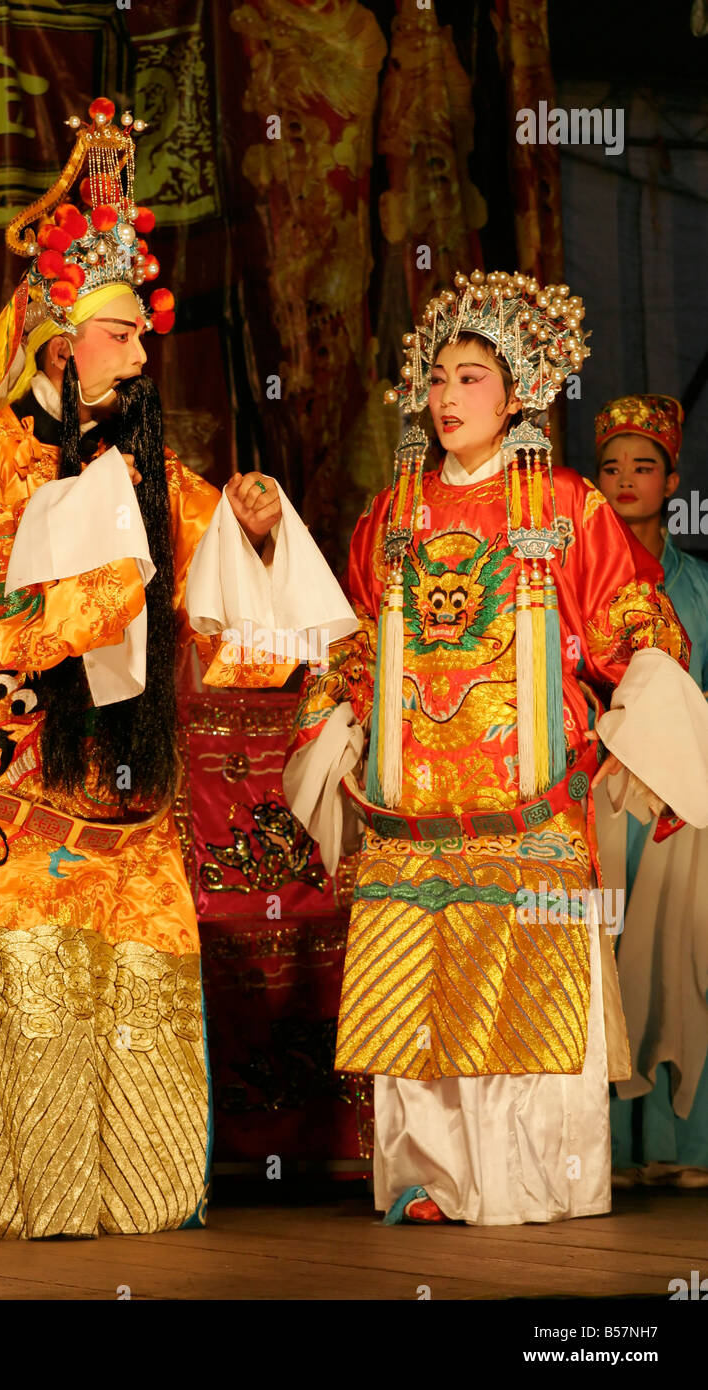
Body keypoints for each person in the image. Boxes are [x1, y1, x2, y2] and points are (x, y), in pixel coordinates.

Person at [0, 97, 353, 1239]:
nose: (140, 350)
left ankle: (124, 1193)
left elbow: (222, 603)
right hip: (4, 788)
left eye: (142, 332)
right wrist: (100, 557)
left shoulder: (148, 459)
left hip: (119, 794)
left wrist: (258, 525)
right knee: (18, 980)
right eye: (118, 332)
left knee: (126, 986)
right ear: (53, 336)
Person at [283, 269, 708, 1226]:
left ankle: (532, 1180)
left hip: (529, 802)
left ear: (516, 394)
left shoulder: (563, 506)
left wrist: (644, 680)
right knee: (416, 995)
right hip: (415, 808)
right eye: (436, 377)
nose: (446, 396)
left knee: (527, 992)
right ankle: (431, 1180)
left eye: (470, 378)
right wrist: (337, 716)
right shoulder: (393, 513)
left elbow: (626, 618)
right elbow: (357, 637)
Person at [594, 395, 708, 1188]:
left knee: (681, 970)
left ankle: (680, 1145)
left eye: (644, 466)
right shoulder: (578, 579)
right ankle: (608, 1148)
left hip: (685, 799)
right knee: (607, 963)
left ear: (673, 479)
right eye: (610, 467)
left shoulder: (697, 583)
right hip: (600, 797)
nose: (626, 480)